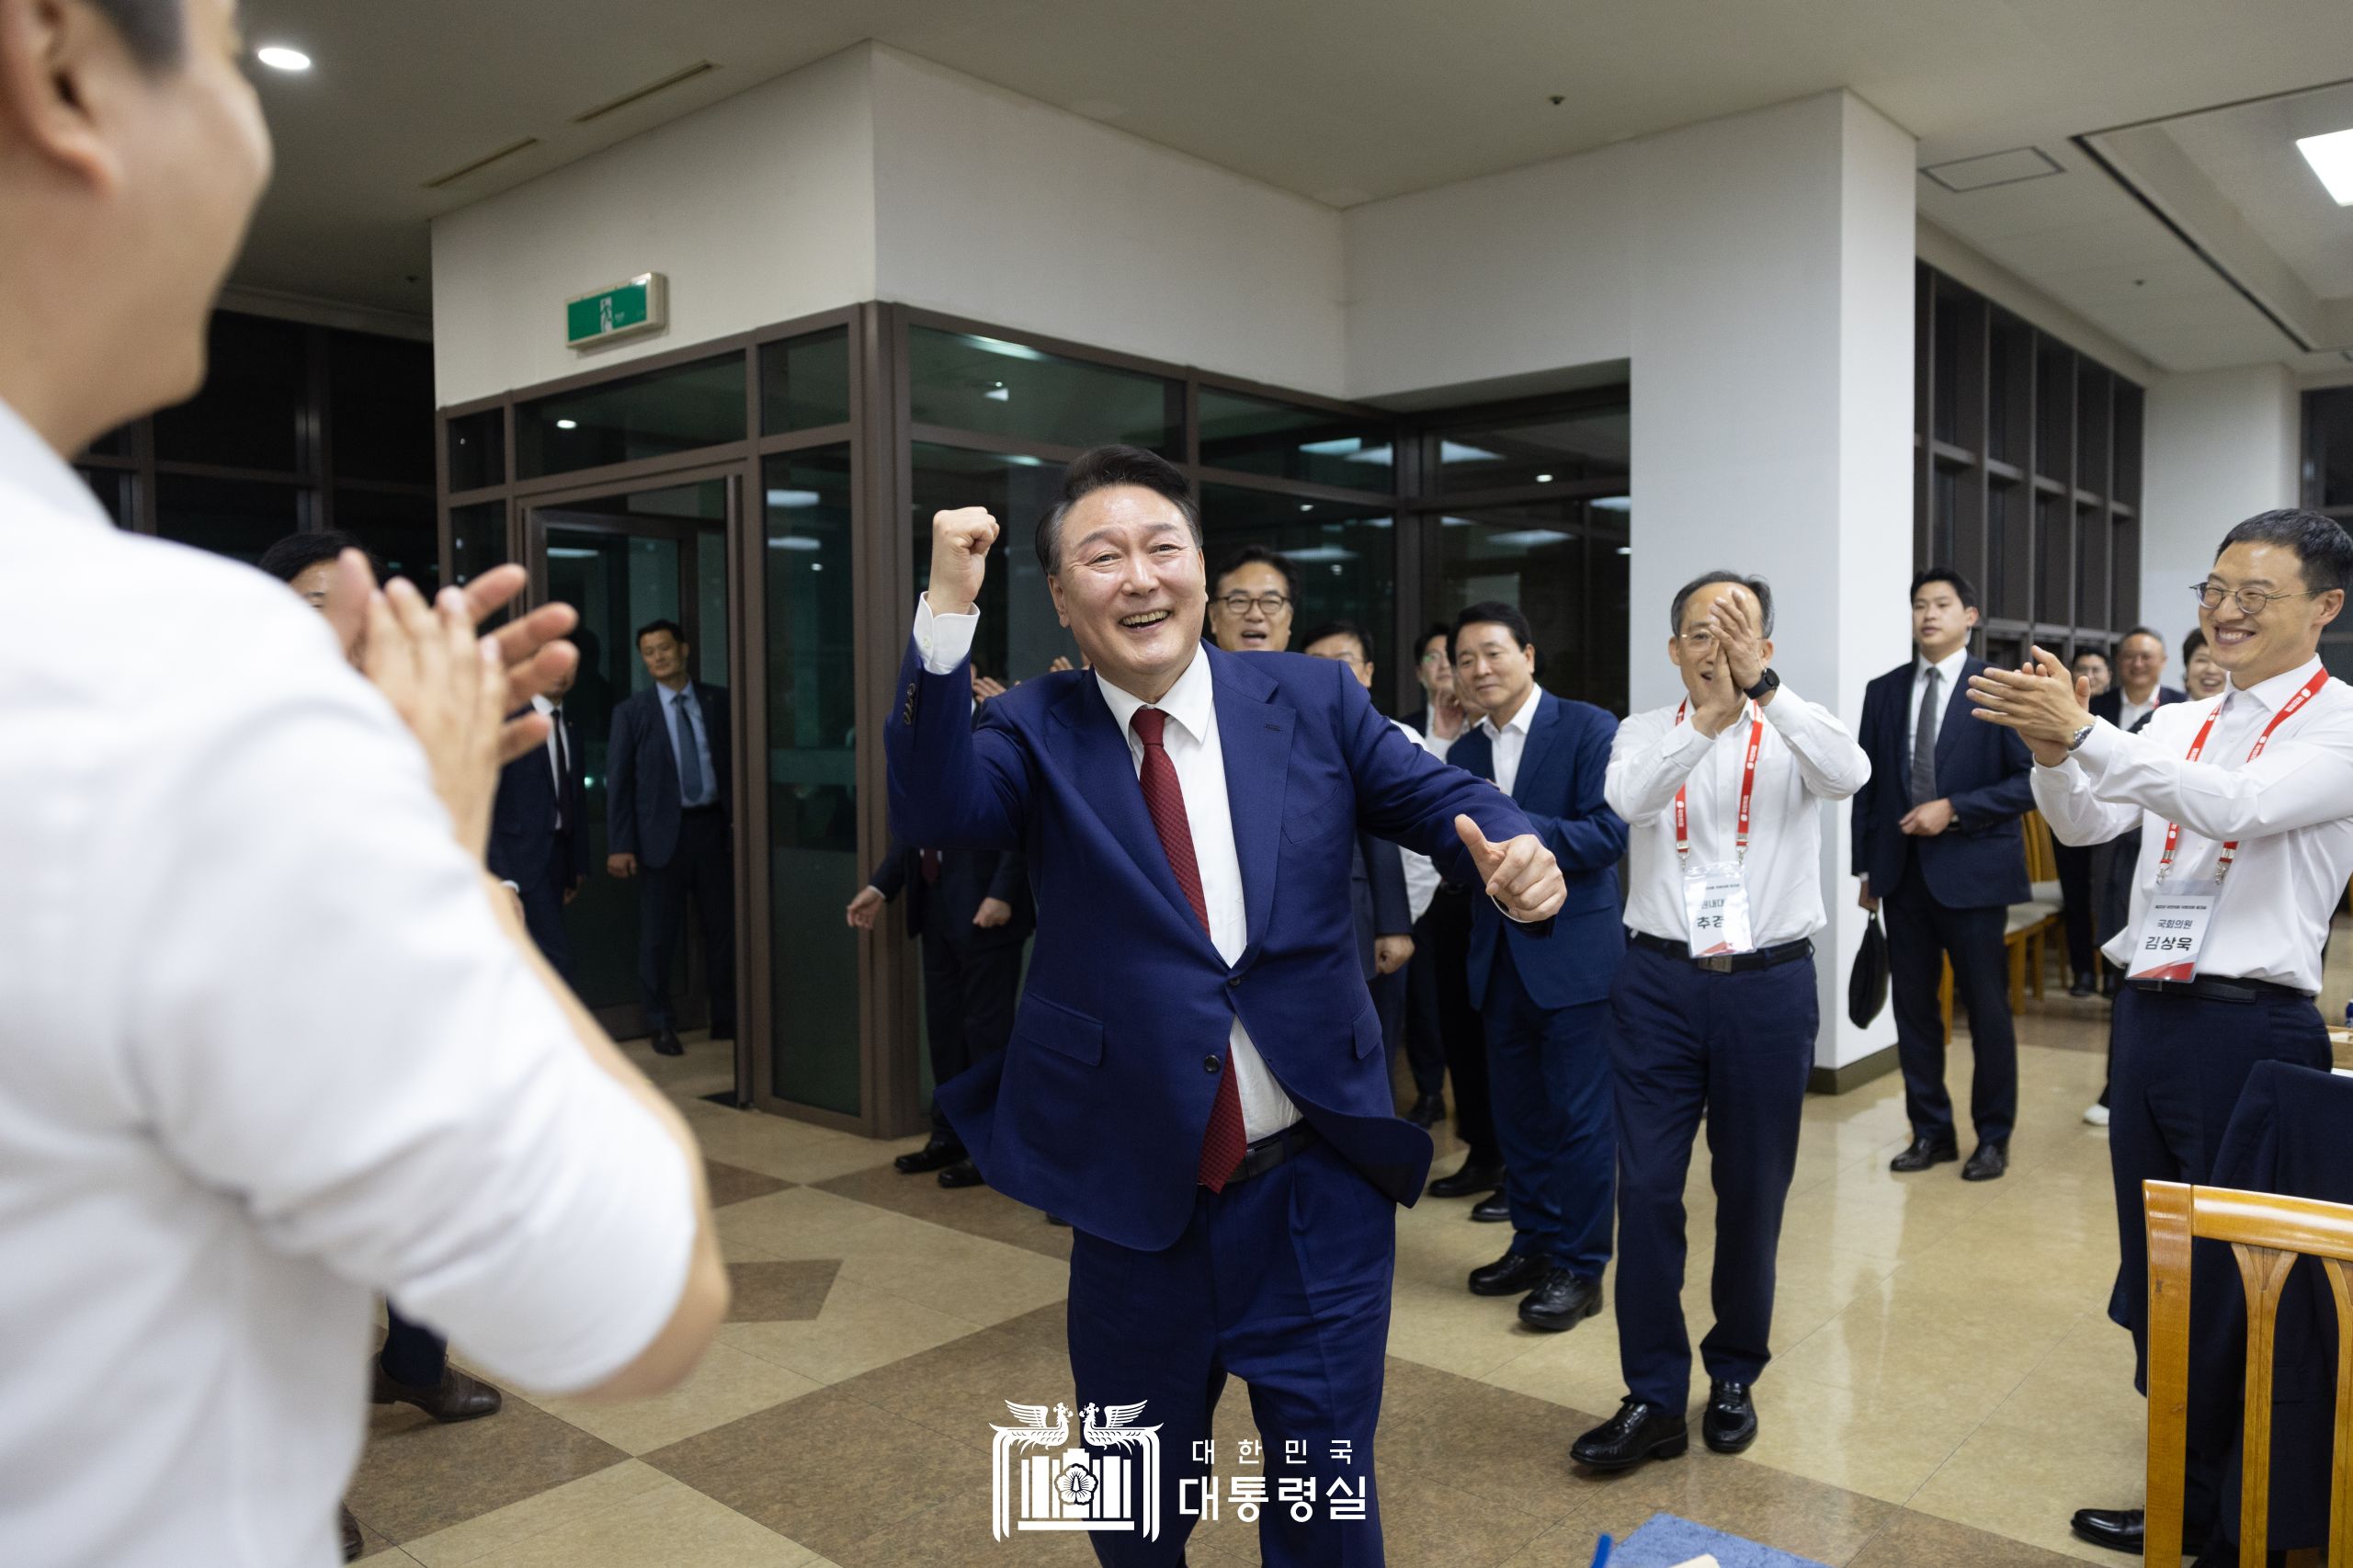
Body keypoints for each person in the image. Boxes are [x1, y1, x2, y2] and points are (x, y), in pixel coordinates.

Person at [0, 5, 726, 1560]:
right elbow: (642, 1295)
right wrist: (429, 847)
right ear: (56, 62)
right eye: (227, 53)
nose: (253, 134)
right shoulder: (179, 680)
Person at [889, 445, 1565, 1566]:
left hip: (1314, 1187)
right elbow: (933, 803)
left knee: (1324, 1505)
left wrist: (1512, 844)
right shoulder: (1036, 727)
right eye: (1102, 557)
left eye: (1163, 547)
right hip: (1130, 1197)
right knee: (1133, 1510)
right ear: (1059, 595)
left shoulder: (1311, 697)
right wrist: (945, 611)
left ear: (1201, 569)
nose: (1139, 577)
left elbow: (1440, 792)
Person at [1968, 509, 2353, 1563]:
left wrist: (2090, 733)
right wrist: (2054, 748)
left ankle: (2242, 1525)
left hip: (2250, 1031)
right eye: (2213, 590)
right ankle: (2180, 1496)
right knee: (2162, 1273)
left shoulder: (2338, 724)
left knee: (2243, 1290)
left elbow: (2237, 807)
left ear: (2323, 606)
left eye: (2254, 595)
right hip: (2148, 1014)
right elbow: (2088, 821)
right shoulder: (2182, 720)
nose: (2225, 611)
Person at [1574, 572, 1868, 1471]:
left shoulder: (1796, 727)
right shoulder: (1642, 732)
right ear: (1674, 649)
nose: (1717, 649)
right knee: (1645, 1190)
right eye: (1700, 632)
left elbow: (1850, 773)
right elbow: (1625, 803)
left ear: (1765, 648)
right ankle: (1654, 1396)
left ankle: (1734, 1371)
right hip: (1657, 984)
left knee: (1751, 1189)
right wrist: (1703, 724)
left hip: (1766, 988)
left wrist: (1765, 695)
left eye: (1737, 633)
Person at [1446, 602, 1630, 1331]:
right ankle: (1534, 1243)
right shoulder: (1463, 753)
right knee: (1518, 1117)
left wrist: (1508, 825)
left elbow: (1607, 834)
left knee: (1580, 1122)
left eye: (1493, 652)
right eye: (1465, 659)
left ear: (1527, 655)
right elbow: (1452, 856)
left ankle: (1581, 1268)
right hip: (1499, 961)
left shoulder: (1588, 727)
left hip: (1576, 961)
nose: (1479, 669)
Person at [1206, 559, 1416, 1128]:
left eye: (1270, 601)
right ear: (1211, 615)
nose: (1254, 614)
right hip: (1222, 935)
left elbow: (1376, 815)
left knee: (1341, 1064)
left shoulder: (1322, 696)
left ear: (1289, 618)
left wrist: (1393, 920)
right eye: (1238, 600)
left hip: (1332, 915)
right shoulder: (1184, 695)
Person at [1853, 567, 2035, 1182]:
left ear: (1969, 617)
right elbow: (1868, 786)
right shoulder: (1883, 690)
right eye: (1919, 605)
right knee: (1914, 1012)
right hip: (1900, 875)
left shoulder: (1998, 687)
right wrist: (1866, 868)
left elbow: (2029, 782)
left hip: (1975, 875)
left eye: (1942, 604)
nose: (1928, 614)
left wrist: (1955, 808)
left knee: (1987, 1012)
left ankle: (1993, 1137)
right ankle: (1931, 1132)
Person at [848, 676, 1034, 1191]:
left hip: (986, 911)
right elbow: (915, 830)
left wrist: (1003, 893)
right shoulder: (925, 741)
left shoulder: (1000, 728)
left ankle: (989, 1149)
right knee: (945, 1030)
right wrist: (881, 888)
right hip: (934, 908)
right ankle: (948, 1135)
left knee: (987, 1035)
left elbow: (1024, 822)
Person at [1302, 619, 1438, 1118]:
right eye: (1316, 666)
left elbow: (1395, 842)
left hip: (1370, 924)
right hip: (1303, 928)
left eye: (1342, 664)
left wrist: (1396, 922)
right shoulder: (1288, 728)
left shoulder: (1388, 737)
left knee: (1372, 1055)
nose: (1329, 677)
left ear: (1368, 671)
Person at [1404, 624, 1506, 1188]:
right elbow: (1424, 810)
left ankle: (1510, 1163)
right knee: (1453, 1028)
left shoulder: (1499, 729)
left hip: (1499, 902)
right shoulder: (1417, 736)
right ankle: (1481, 1152)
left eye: (1461, 657)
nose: (1452, 669)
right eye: (1439, 659)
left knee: (1499, 1036)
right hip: (1441, 906)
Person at [608, 619, 735, 1055]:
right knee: (658, 935)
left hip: (712, 829)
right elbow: (619, 783)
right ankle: (660, 1023)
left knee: (723, 929)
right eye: (649, 652)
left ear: (684, 649)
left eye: (664, 648)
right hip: (659, 838)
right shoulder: (632, 713)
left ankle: (726, 1017)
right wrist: (620, 845)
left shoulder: (718, 701)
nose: (658, 657)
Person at [485, 661, 591, 984]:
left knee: (536, 960)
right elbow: (485, 804)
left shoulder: (569, 723)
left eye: (568, 665)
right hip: (518, 863)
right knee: (558, 960)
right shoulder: (509, 721)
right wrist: (503, 877)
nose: (560, 672)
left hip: (558, 859)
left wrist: (578, 864)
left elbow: (574, 798)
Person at [2182, 626, 2229, 699]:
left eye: (2221, 662)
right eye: (2202, 660)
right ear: (2187, 668)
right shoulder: (2166, 706)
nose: (2211, 670)